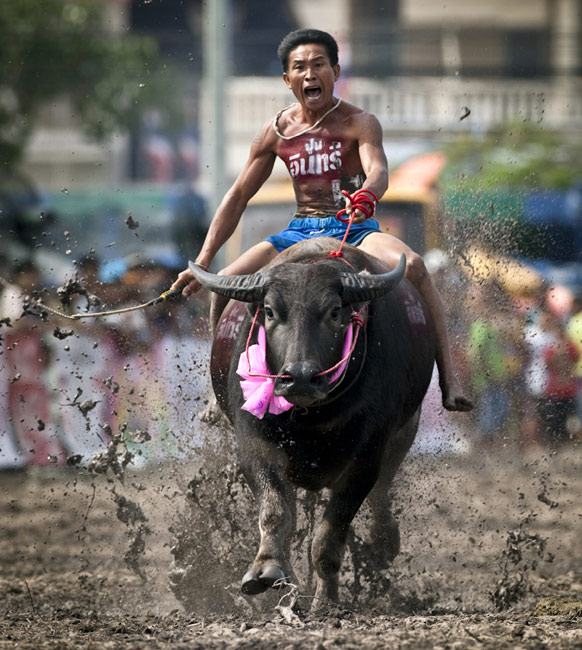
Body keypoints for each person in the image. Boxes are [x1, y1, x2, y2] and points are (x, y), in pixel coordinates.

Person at [171, 28, 472, 413]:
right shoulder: (276, 131)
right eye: (300, 67)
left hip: (355, 230)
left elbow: (378, 171)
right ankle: (221, 394)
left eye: (318, 65)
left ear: (335, 71)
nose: (310, 74)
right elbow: (238, 195)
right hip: (298, 231)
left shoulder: (360, 122)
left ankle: (450, 379)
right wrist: (202, 260)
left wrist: (368, 195)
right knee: (223, 284)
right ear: (288, 79)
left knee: (414, 264)